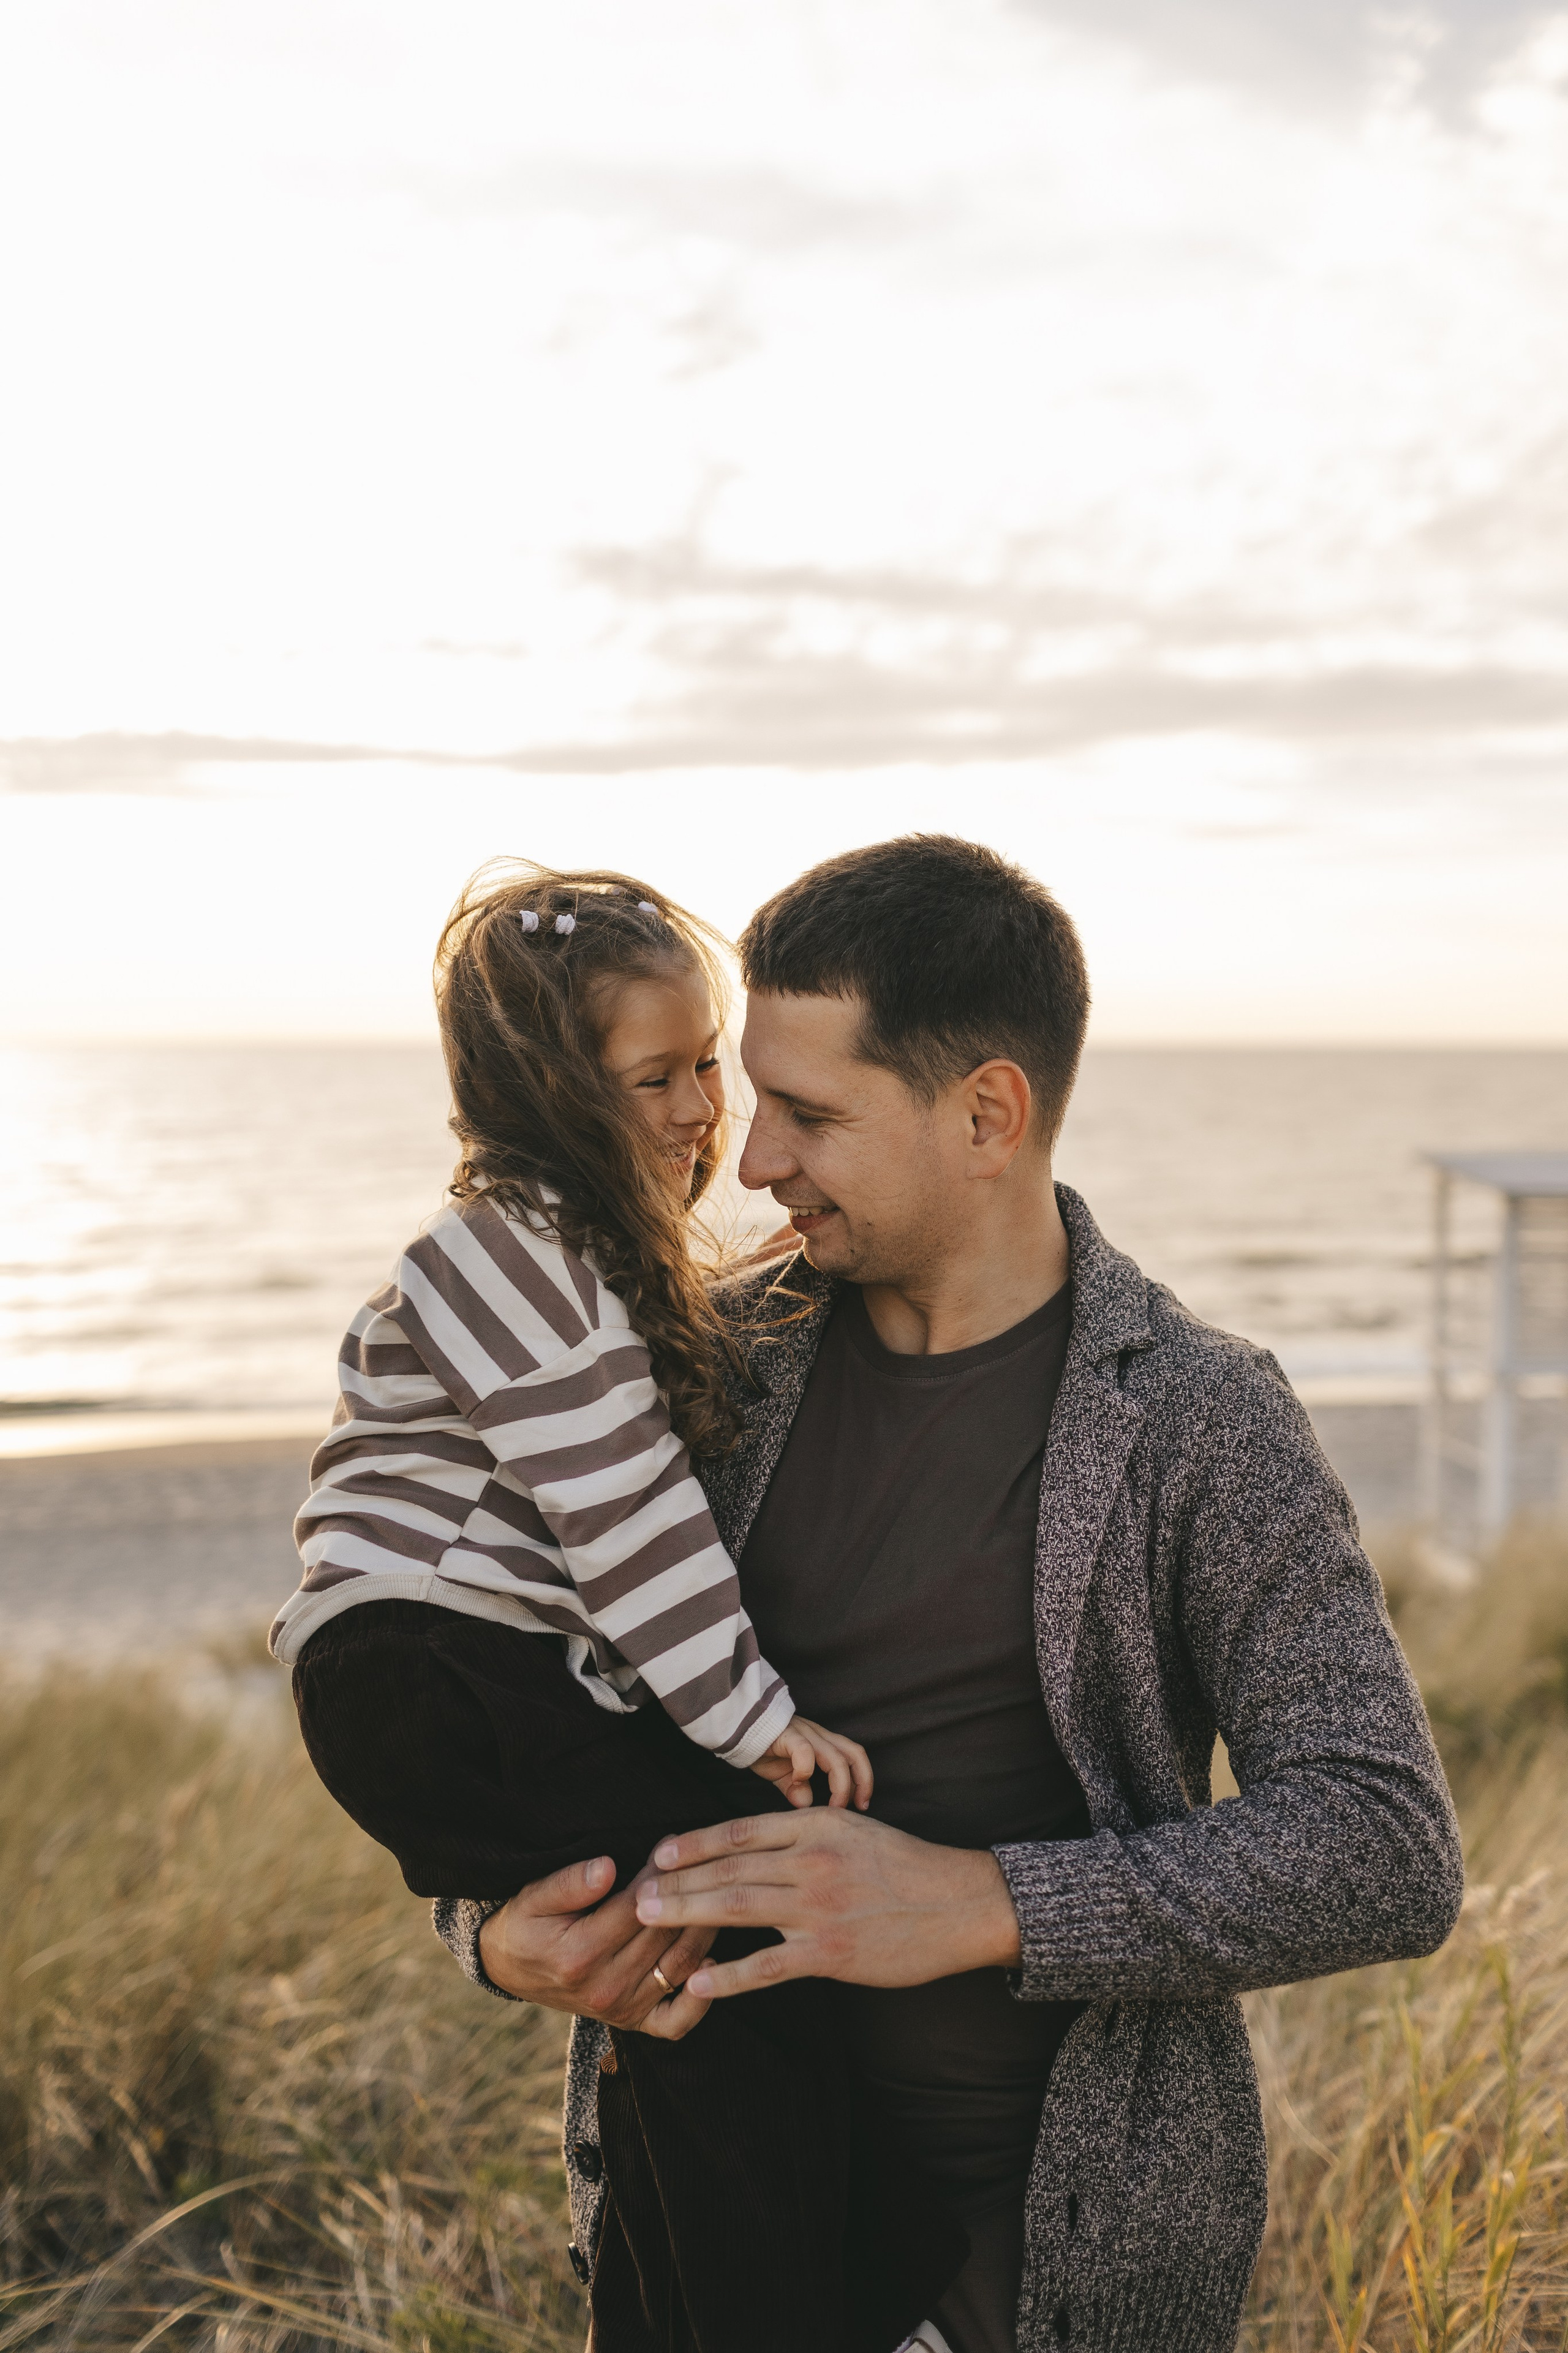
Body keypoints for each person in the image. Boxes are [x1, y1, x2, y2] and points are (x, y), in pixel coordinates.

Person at [438, 834, 1466, 2353]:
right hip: (705, 2232)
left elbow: (1384, 1842)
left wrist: (979, 1901)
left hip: (1053, 2265)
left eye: (808, 1113)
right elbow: (489, 1710)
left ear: (987, 1111)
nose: (749, 1157)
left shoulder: (1200, 1418)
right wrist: (489, 1936)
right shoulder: (682, 1367)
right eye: (751, 1094)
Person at [271, 862, 967, 2353]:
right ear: (538, 1094)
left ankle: (695, 2314)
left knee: (709, 1978)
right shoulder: (509, 1260)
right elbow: (628, 1522)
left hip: (450, 1672)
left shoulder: (566, 1261)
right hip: (432, 1664)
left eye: (706, 1060)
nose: (702, 1109)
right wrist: (757, 1722)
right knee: (747, 1940)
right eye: (655, 1075)